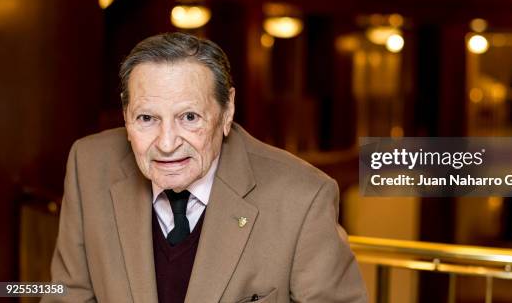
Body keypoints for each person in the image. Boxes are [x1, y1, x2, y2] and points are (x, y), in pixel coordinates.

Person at [42, 32, 368, 303]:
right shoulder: (88, 164)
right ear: (126, 117)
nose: (167, 143)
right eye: (146, 118)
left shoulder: (302, 197)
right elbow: (67, 294)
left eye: (189, 117)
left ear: (227, 112)